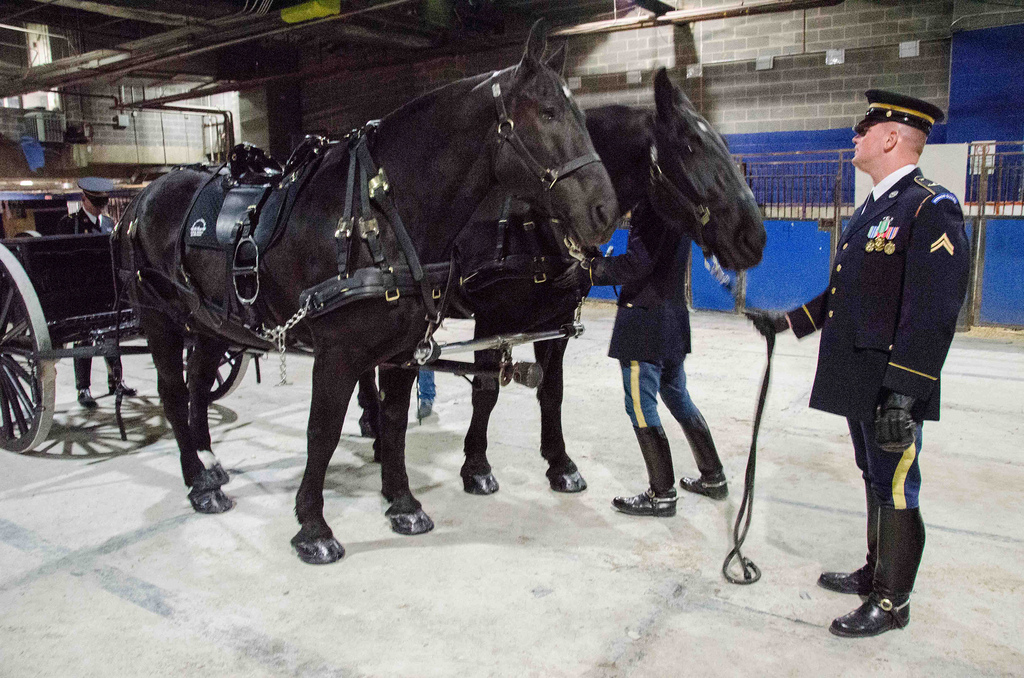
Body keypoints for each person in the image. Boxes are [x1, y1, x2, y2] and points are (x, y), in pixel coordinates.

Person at [747, 90, 969, 638]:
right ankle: (877, 573)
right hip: (860, 376)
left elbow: (935, 310)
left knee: (897, 486)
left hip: (892, 381)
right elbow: (848, 291)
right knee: (874, 477)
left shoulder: (929, 205)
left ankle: (893, 603)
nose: (854, 137)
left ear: (890, 137)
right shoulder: (875, 206)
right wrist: (788, 321)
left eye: (862, 129)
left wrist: (905, 393)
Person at [556, 207, 728, 519]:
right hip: (672, 316)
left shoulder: (652, 211)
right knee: (678, 396)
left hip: (645, 321)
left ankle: (661, 494)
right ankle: (713, 476)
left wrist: (594, 268)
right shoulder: (680, 207)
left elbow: (638, 263)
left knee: (640, 406)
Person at [58, 177, 136, 408]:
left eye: (102, 202)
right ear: (84, 198)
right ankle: (83, 388)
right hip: (81, 291)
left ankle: (116, 382)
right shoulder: (69, 223)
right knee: (83, 340)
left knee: (113, 335)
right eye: (95, 201)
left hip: (105, 289)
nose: (100, 206)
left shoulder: (109, 224)